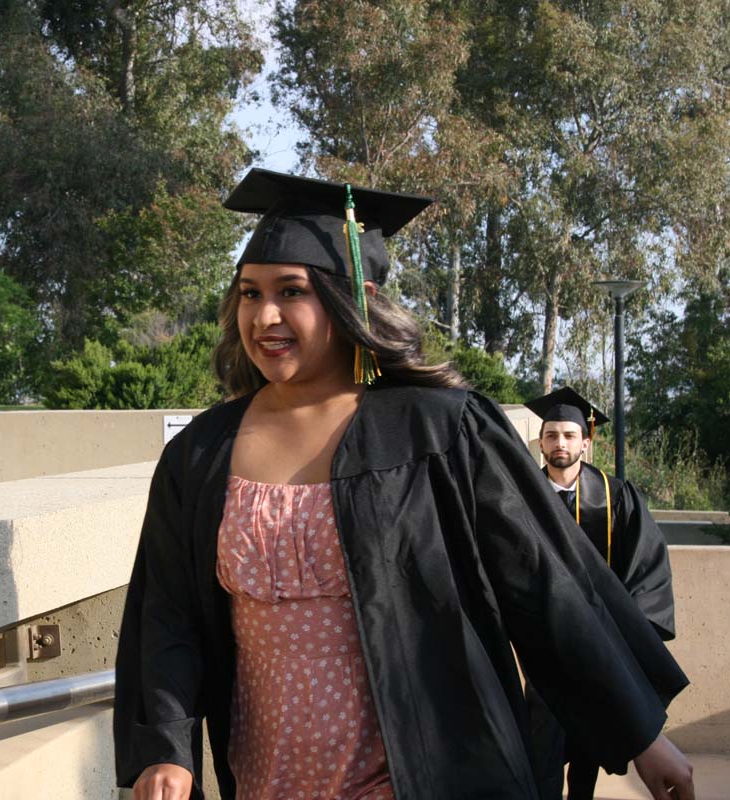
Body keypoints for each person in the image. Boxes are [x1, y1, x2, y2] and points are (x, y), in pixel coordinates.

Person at [112, 167, 694, 800]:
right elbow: (167, 613)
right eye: (249, 293)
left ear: (352, 297)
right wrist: (165, 749)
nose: (265, 315)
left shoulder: (440, 431)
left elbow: (543, 583)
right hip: (265, 776)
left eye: (291, 291)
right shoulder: (201, 452)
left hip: (424, 771)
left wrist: (642, 736)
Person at [523, 387, 677, 800]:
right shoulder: (520, 496)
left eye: (570, 435)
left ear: (586, 443)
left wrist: (631, 633)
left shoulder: (617, 497)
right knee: (543, 744)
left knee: (590, 745)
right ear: (541, 443)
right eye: (552, 435)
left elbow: (646, 563)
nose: (560, 443)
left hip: (598, 642)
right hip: (544, 643)